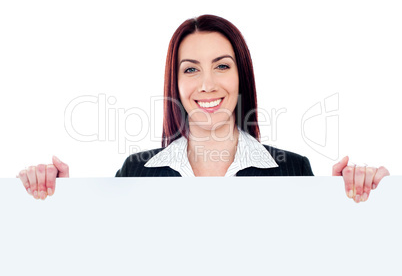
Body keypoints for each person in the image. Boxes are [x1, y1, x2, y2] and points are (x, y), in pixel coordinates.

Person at [16, 15, 390, 203]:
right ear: (175, 85)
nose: (207, 84)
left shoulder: (294, 172)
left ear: (241, 76)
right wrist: (60, 206)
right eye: (191, 69)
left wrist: (360, 203)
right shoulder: (134, 174)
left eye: (222, 66)